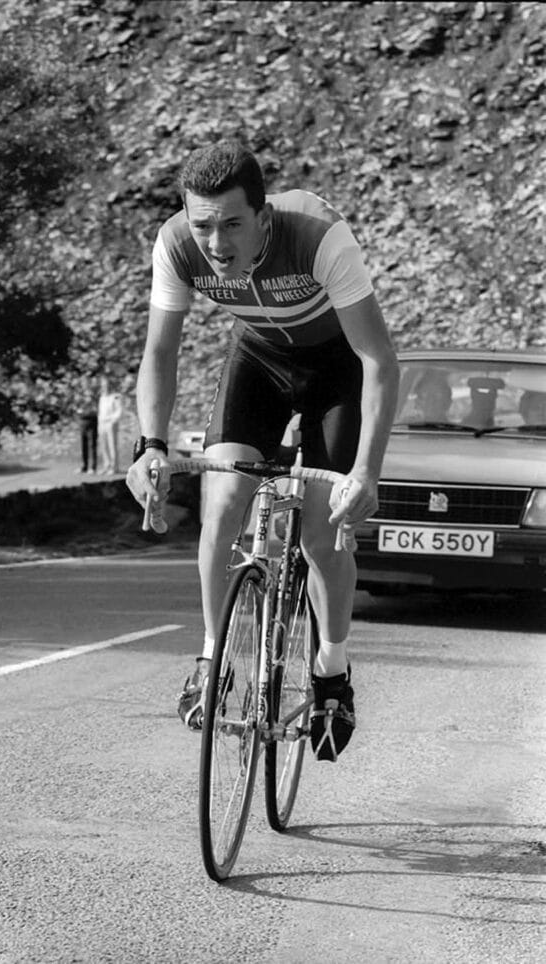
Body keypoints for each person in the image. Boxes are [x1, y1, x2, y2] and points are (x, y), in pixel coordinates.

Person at [127, 140, 400, 761]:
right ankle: (212, 658)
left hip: (337, 370)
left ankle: (331, 670)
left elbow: (378, 361)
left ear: (264, 216)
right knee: (221, 504)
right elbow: (160, 355)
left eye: (232, 224)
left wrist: (365, 473)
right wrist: (151, 445)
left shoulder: (317, 235)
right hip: (258, 360)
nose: (216, 243)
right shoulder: (176, 245)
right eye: (203, 225)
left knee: (320, 534)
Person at [98, 375, 123, 474]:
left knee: (112, 445)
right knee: (103, 445)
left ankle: (114, 467)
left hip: (111, 423)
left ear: (111, 385)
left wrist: (113, 421)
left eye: (107, 385)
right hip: (101, 423)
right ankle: (106, 465)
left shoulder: (116, 396)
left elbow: (119, 411)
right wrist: (99, 422)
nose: (105, 387)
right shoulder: (102, 397)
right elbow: (100, 412)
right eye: (103, 385)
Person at [76, 387, 98, 474]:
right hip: (83, 426)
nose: (86, 396)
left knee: (92, 446)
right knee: (83, 447)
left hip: (91, 425)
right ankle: (84, 466)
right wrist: (82, 413)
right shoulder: (82, 403)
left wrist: (83, 413)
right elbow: (78, 412)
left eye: (88, 394)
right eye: (85, 394)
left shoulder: (94, 403)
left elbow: (93, 413)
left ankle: (93, 467)